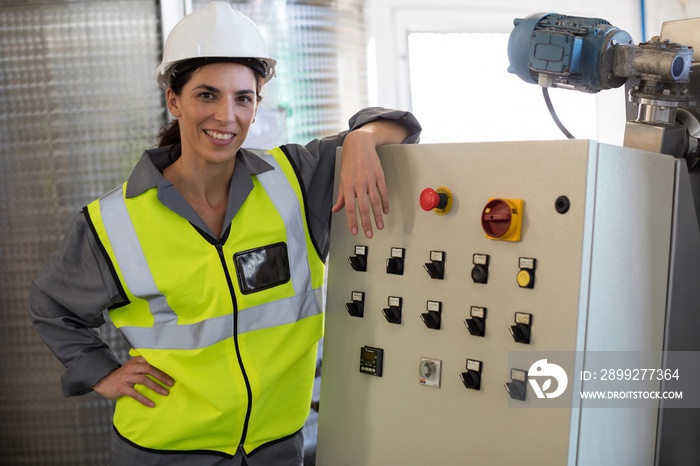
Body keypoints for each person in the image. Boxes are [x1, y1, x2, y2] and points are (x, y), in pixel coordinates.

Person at [28, 2, 421, 465]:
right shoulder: (113, 221)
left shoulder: (296, 179)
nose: (226, 116)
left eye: (243, 97)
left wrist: (358, 138)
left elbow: (400, 126)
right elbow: (52, 305)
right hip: (165, 450)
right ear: (174, 100)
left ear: (257, 105)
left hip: (274, 447)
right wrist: (101, 373)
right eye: (207, 95)